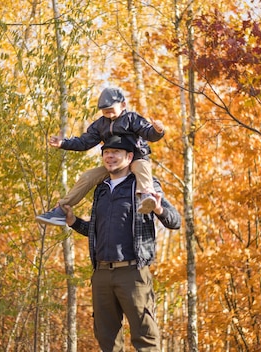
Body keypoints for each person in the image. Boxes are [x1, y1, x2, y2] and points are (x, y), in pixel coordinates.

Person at [63, 135, 181, 351]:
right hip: (101, 274)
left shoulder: (144, 185)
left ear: (129, 157)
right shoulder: (101, 189)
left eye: (115, 152)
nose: (110, 156)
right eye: (106, 152)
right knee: (107, 340)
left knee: (146, 338)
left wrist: (158, 208)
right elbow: (97, 232)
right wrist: (73, 222)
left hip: (133, 273)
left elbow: (175, 221)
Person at [36, 87, 165, 226]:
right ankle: (61, 210)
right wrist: (63, 143)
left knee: (142, 167)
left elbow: (147, 132)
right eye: (105, 111)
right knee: (88, 176)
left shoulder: (131, 119)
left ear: (123, 105)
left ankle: (147, 196)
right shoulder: (100, 125)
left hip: (136, 157)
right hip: (116, 164)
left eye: (111, 109)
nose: (108, 114)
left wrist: (157, 131)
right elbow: (84, 142)